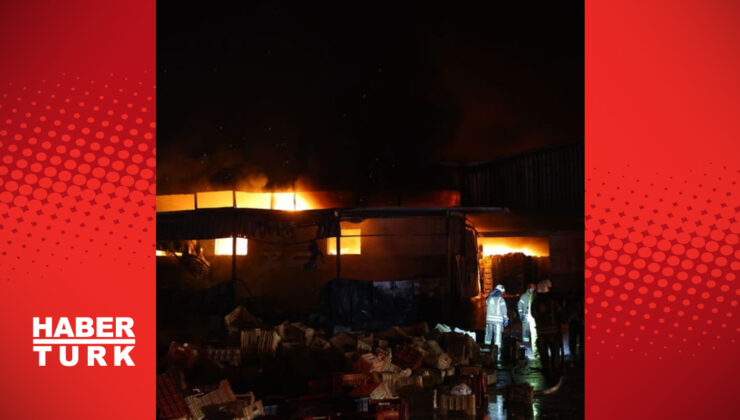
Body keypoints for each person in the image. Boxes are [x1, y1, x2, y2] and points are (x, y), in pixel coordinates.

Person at [532, 279, 562, 384]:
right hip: (553, 332)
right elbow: (559, 313)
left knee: (543, 353)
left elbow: (533, 314)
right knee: (554, 352)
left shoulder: (535, 301)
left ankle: (547, 370)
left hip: (541, 332)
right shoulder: (552, 301)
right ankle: (555, 371)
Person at [485, 284, 509, 357]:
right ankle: (497, 353)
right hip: (497, 322)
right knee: (497, 337)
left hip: (488, 321)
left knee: (488, 336)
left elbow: (486, 309)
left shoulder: (488, 298)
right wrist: (506, 319)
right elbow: (503, 310)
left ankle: (486, 351)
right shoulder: (500, 300)